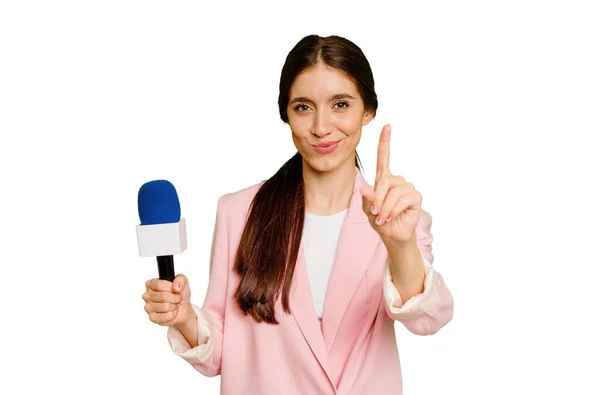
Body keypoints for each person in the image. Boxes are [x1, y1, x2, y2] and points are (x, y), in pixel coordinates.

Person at [141, 34, 454, 395]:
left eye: (340, 104)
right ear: (286, 114)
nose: (321, 127)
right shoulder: (238, 213)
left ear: (368, 110)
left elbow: (429, 319)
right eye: (303, 107)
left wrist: (399, 246)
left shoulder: (397, 214)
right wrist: (183, 318)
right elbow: (219, 353)